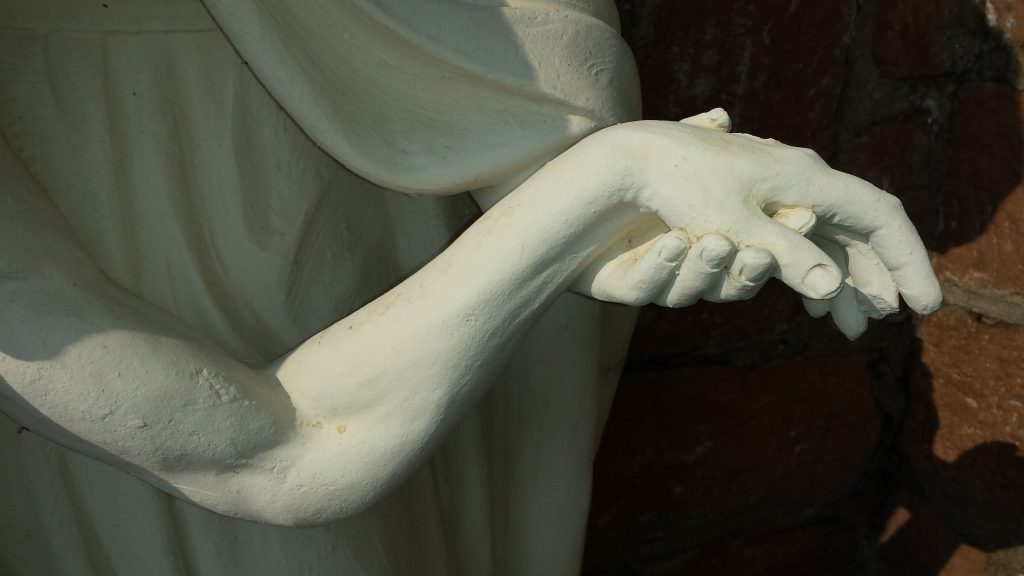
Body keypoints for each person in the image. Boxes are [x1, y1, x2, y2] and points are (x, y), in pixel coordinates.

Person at [0, 0, 940, 574]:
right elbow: (287, 450)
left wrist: (544, 156)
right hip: (125, 223)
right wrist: (606, 183)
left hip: (382, 148)